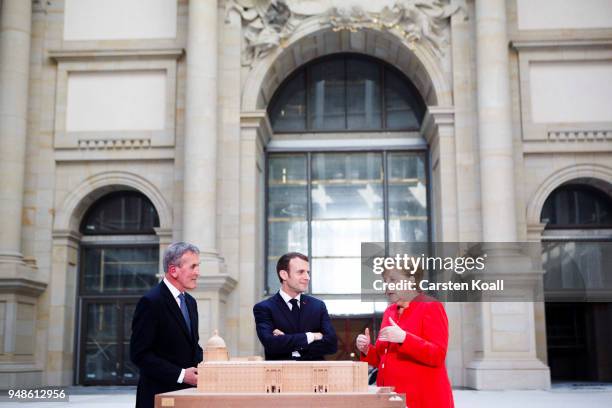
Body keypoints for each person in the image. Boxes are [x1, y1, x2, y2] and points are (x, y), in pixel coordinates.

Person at [356, 266, 454, 408]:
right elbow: (382, 359)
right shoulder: (390, 311)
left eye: (393, 280)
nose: (387, 286)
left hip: (422, 399)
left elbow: (438, 355)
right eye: (385, 281)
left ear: (411, 280)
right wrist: (366, 349)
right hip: (391, 398)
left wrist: (404, 338)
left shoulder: (431, 306)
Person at [130, 242, 204, 408]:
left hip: (187, 397)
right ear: (173, 270)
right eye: (193, 267)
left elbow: (192, 346)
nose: (197, 272)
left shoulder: (190, 302)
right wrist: (182, 375)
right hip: (157, 397)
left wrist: (209, 366)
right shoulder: (151, 302)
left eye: (198, 266)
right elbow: (139, 354)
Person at [253, 252, 338, 360]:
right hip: (280, 374)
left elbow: (331, 345)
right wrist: (311, 336)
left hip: (314, 374)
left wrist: (285, 341)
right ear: (284, 274)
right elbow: (271, 345)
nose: (307, 277)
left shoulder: (318, 306)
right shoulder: (264, 308)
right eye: (301, 272)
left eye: (308, 272)